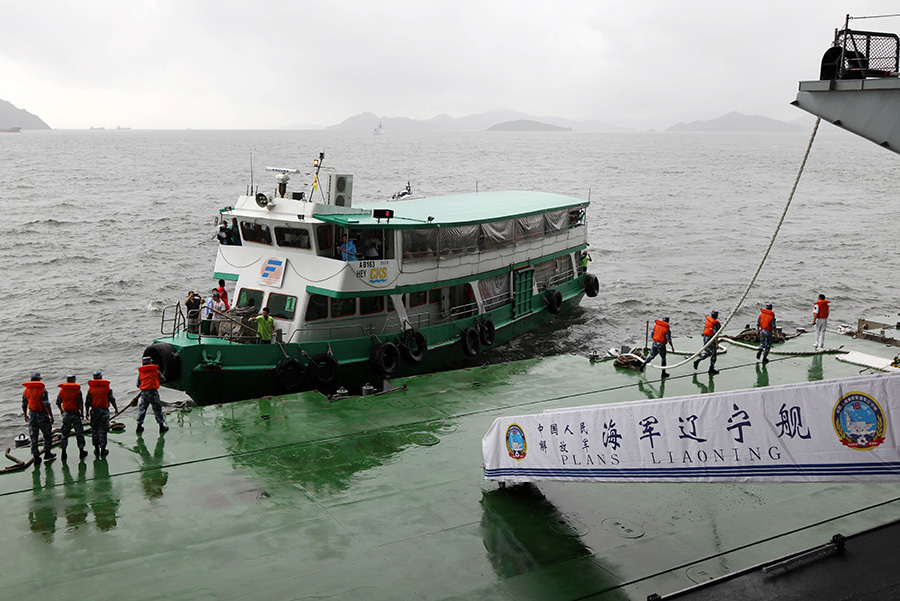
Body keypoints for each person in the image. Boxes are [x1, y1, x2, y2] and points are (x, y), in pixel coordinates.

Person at [22, 372, 55, 465]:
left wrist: (25, 415)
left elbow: (24, 405)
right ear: (38, 379)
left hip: (32, 415)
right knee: (47, 434)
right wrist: (51, 416)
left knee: (33, 436)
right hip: (42, 415)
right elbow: (46, 404)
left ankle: (36, 457)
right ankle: (47, 453)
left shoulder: (26, 390)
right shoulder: (42, 390)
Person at [86, 370, 118, 458]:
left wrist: (86, 412)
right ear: (101, 377)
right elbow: (112, 399)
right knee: (103, 430)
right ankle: (103, 449)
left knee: (94, 430)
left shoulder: (90, 389)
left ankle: (96, 449)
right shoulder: (107, 388)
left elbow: (87, 402)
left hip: (94, 411)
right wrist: (116, 409)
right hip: (104, 411)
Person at [56, 375, 87, 461]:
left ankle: (63, 452)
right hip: (75, 414)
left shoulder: (62, 391)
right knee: (79, 432)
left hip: (66, 415)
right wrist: (82, 413)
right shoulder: (77, 390)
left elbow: (58, 402)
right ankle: (81, 451)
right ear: (73, 381)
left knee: (65, 433)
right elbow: (80, 403)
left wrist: (61, 411)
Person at [136, 356, 169, 435]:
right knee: (157, 409)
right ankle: (161, 427)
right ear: (151, 362)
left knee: (142, 410)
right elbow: (163, 379)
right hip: (153, 393)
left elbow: (138, 384)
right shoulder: (155, 371)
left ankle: (139, 426)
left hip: (144, 394)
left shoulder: (141, 372)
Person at [693, 311, 721, 375]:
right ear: (716, 316)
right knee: (713, 353)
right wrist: (717, 343)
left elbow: (705, 331)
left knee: (707, 352)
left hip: (705, 338)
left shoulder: (708, 321)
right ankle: (711, 368)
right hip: (711, 339)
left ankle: (699, 360)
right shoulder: (715, 323)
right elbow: (715, 334)